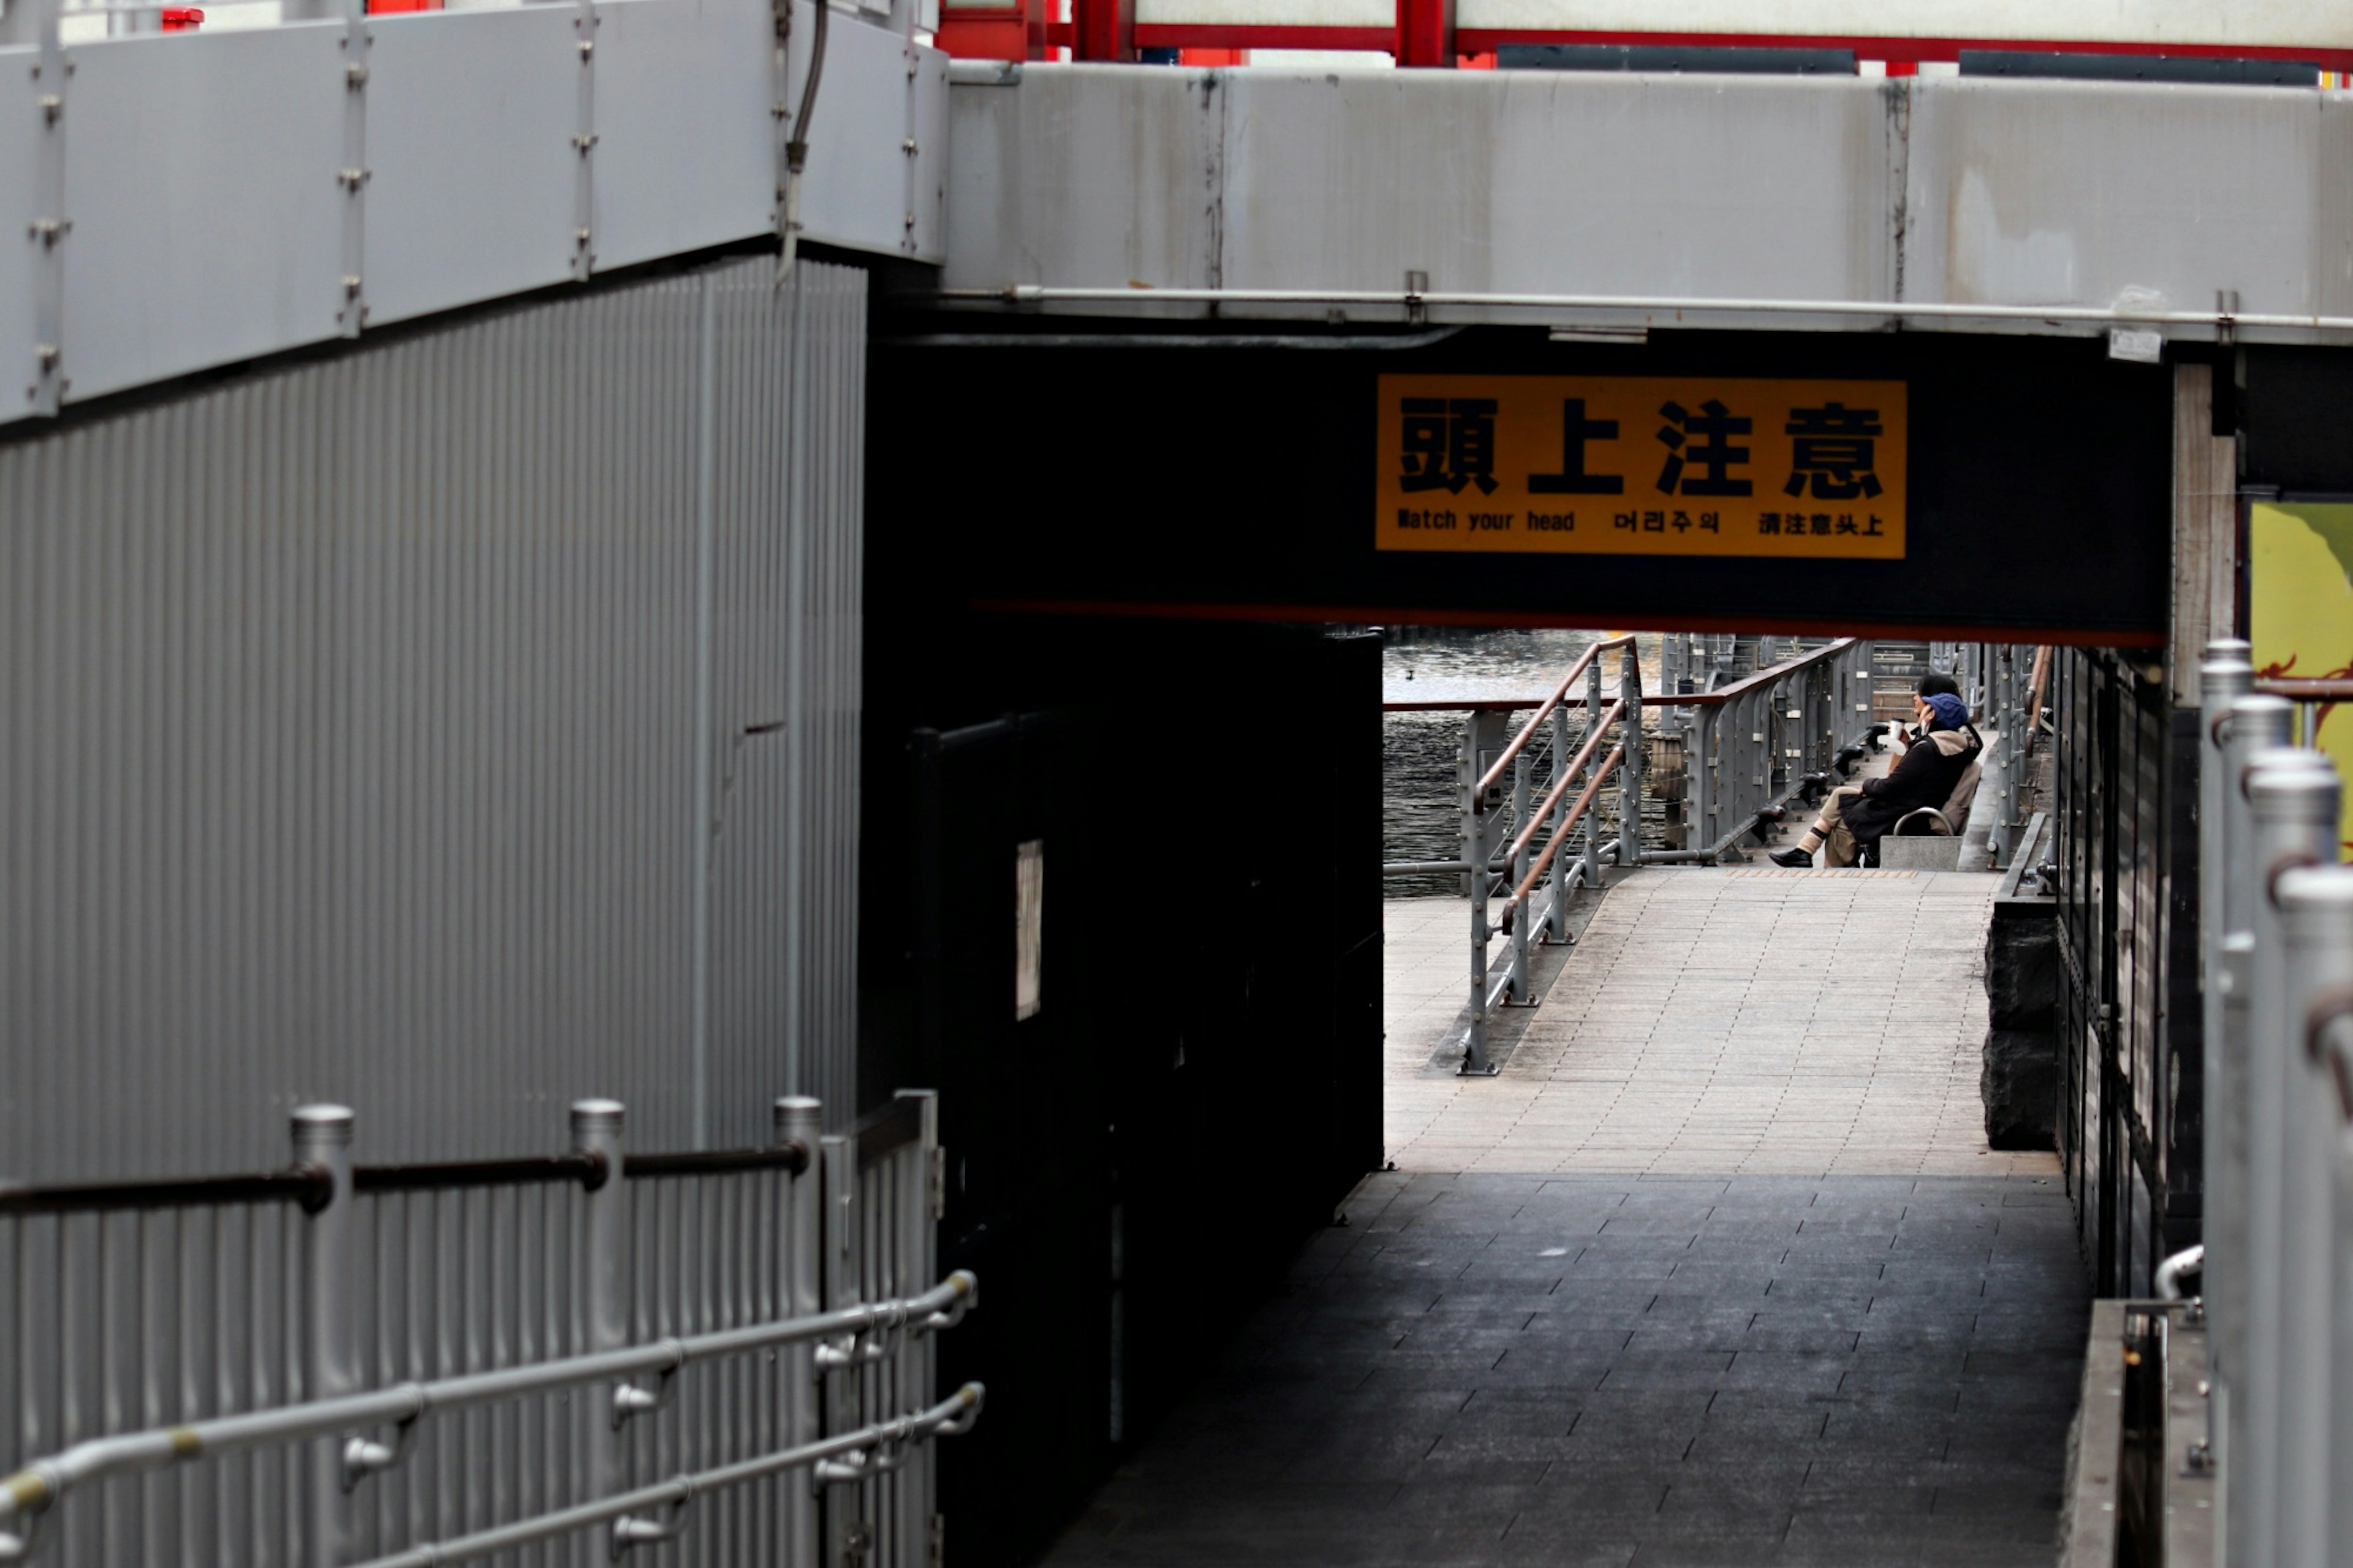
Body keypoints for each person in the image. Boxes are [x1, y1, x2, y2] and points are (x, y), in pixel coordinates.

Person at [1769, 681, 1982, 868]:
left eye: (1925, 707)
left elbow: (1891, 786)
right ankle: (1806, 853)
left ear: (1932, 714)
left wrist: (1868, 785)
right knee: (1842, 806)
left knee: (1842, 812)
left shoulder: (1928, 748)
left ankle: (1816, 860)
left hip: (1907, 815)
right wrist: (1908, 746)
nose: (1919, 711)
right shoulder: (1956, 747)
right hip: (1917, 809)